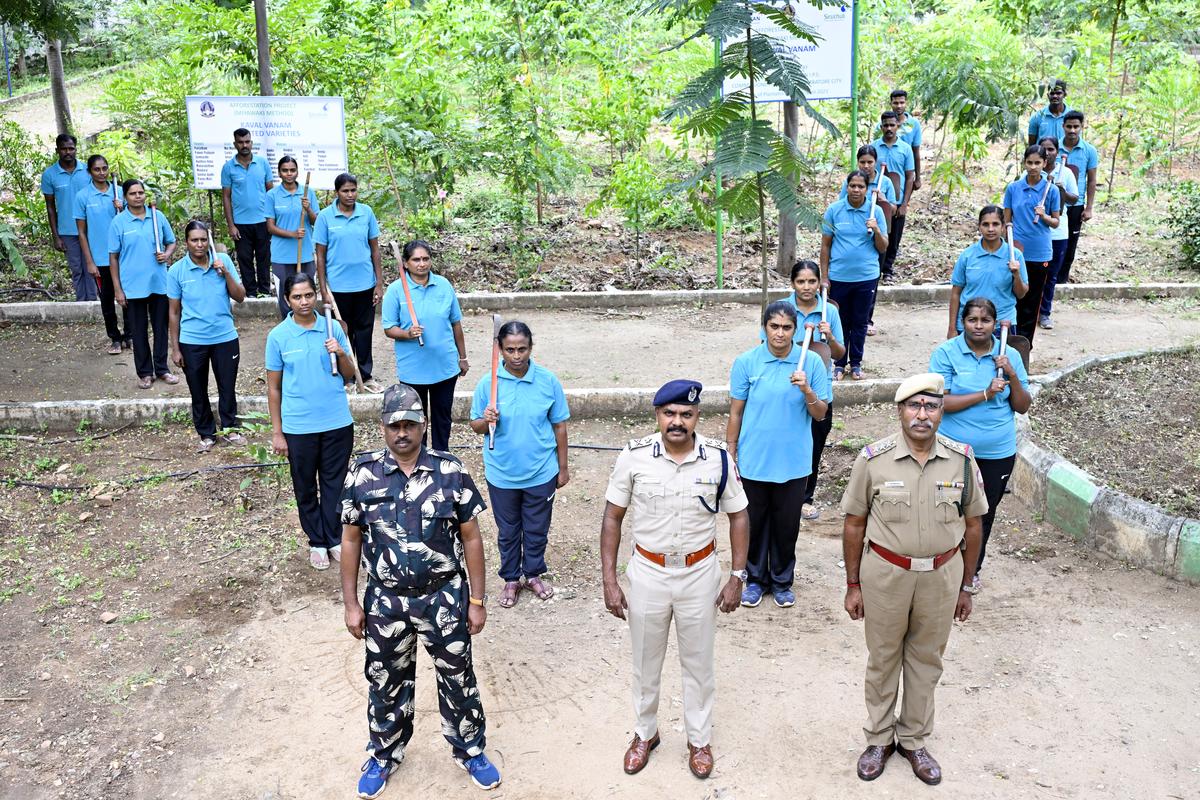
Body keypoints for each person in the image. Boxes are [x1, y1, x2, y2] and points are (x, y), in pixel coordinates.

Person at [340, 383, 501, 797]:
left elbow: (472, 538)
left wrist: (478, 601)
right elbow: (352, 540)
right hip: (385, 602)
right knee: (385, 681)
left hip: (443, 597)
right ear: (382, 427)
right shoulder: (362, 473)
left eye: (410, 423)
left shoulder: (450, 471)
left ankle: (471, 750)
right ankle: (383, 755)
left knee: (457, 679)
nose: (402, 433)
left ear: (424, 425)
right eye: (394, 425)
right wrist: (351, 604)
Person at [840, 373, 987, 786]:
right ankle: (878, 739)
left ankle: (914, 739)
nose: (922, 414)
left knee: (926, 660)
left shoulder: (961, 459)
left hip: (941, 575)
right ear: (900, 411)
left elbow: (973, 525)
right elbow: (854, 524)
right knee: (883, 658)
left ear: (941, 411)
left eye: (931, 406)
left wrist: (966, 585)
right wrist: (853, 584)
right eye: (914, 406)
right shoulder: (873, 460)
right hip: (885, 574)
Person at [601, 379, 749, 780]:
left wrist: (737, 575)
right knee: (645, 661)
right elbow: (613, 517)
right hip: (648, 572)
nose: (677, 421)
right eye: (670, 413)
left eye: (686, 414)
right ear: (658, 415)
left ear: (697, 417)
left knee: (699, 663)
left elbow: (738, 515)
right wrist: (610, 580)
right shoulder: (634, 457)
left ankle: (699, 740)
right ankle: (645, 734)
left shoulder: (718, 459)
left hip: (699, 573)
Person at [728, 301, 830, 608]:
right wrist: (731, 451)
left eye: (787, 328)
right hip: (754, 459)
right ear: (764, 328)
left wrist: (807, 391)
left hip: (794, 462)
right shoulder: (746, 362)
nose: (780, 334)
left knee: (787, 526)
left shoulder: (810, 362)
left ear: (796, 331)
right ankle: (755, 579)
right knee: (754, 523)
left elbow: (821, 413)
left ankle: (783, 580)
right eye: (774, 327)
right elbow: (736, 413)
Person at [931, 298, 1031, 591]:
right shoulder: (946, 353)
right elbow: (942, 402)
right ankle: (940, 568)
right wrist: (985, 393)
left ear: (995, 324)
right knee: (946, 510)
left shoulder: (1007, 355)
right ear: (963, 322)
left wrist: (1012, 374)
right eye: (972, 320)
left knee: (982, 514)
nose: (978, 326)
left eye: (985, 321)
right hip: (952, 451)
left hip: (996, 453)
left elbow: (1022, 406)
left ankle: (970, 572)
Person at [469, 321, 570, 607]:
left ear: (531, 348)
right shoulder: (487, 385)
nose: (516, 355)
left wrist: (563, 468)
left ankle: (534, 573)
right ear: (500, 349)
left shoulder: (548, 381)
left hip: (541, 471)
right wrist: (485, 420)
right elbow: (475, 425)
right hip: (502, 474)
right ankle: (511, 578)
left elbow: (559, 427)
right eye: (510, 349)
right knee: (509, 530)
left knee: (537, 527)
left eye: (522, 349)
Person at [266, 273, 356, 571]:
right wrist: (278, 432)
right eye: (297, 297)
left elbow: (349, 375)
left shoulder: (331, 328)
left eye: (308, 295)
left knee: (334, 484)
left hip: (336, 422)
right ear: (287, 300)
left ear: (316, 295)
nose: (304, 302)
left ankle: (333, 538)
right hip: (298, 426)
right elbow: (274, 388)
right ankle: (316, 541)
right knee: (305, 486)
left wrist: (340, 352)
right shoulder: (278, 336)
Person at [167, 221, 248, 453]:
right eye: (195, 240)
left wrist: (225, 274)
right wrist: (175, 347)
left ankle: (230, 427)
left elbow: (240, 297)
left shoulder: (223, 262)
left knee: (227, 386)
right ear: (186, 243)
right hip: (192, 341)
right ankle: (206, 433)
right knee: (197, 389)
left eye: (203, 239)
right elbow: (173, 312)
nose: (200, 244)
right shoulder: (177, 271)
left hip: (224, 336)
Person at [382, 240, 469, 445]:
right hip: (413, 370)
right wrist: (406, 333)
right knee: (415, 420)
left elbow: (456, 324)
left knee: (442, 418)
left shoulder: (444, 285)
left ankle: (441, 459)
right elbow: (388, 328)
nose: (422, 264)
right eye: (416, 259)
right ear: (405, 263)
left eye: (425, 259)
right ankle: (419, 461)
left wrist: (462, 357)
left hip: (445, 367)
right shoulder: (396, 291)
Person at [778, 261, 844, 520]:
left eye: (811, 281)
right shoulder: (782, 310)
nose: (806, 287)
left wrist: (831, 337)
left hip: (820, 390)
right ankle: (782, 491)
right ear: (792, 284)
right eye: (800, 282)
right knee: (785, 439)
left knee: (814, 444)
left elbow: (840, 354)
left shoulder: (829, 312)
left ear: (819, 283)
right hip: (787, 385)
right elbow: (767, 344)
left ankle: (806, 497)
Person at [315, 172, 384, 394]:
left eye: (353, 190)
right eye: (345, 191)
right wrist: (323, 289)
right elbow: (320, 255)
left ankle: (366, 375)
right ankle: (348, 379)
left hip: (365, 284)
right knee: (343, 332)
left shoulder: (366, 213)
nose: (350, 194)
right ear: (337, 192)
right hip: (338, 289)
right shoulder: (326, 217)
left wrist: (379, 283)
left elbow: (375, 249)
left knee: (364, 331)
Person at [108, 179, 178, 390]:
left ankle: (162, 369)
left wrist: (166, 254)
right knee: (138, 332)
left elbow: (171, 241)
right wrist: (118, 289)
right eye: (132, 193)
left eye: (140, 193)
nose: (138, 196)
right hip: (132, 287)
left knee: (160, 328)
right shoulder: (119, 222)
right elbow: (113, 258)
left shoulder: (157, 217)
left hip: (158, 283)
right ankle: (145, 373)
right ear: (125, 197)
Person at [820, 170, 888, 380]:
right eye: (853, 186)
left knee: (860, 323)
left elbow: (883, 247)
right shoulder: (834, 210)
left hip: (866, 277)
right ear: (846, 187)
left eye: (861, 186)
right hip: (839, 277)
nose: (856, 190)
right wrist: (824, 276)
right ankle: (839, 364)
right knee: (840, 322)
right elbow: (825, 245)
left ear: (867, 189)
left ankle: (856, 364)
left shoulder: (875, 211)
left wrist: (876, 229)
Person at [1002, 145, 1060, 343]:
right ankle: (1008, 342)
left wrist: (1043, 215)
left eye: (1037, 163)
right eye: (1029, 162)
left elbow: (1056, 222)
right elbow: (1007, 221)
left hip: (1040, 253)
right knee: (1013, 299)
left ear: (1045, 164)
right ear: (1024, 163)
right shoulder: (1013, 188)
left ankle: (1025, 347)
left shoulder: (1051, 190)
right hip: (1016, 251)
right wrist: (1006, 246)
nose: (1033, 167)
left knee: (1032, 302)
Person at [73, 154, 130, 354]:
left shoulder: (120, 192)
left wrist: (123, 208)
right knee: (107, 298)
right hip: (100, 257)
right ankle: (114, 337)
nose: (102, 173)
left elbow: (131, 218)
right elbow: (81, 232)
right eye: (97, 169)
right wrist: (89, 261)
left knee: (129, 295)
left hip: (124, 254)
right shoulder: (83, 196)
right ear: (89, 172)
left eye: (104, 168)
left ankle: (129, 335)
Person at [946, 205, 1029, 339]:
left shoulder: (1015, 255)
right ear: (979, 227)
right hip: (970, 324)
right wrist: (952, 328)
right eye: (986, 224)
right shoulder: (967, 255)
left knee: (1000, 360)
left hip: (1002, 323)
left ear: (1002, 227)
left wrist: (1016, 274)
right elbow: (956, 294)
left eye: (995, 224)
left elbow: (1021, 294)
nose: (990, 229)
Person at [839, 145, 896, 336]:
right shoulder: (852, 181)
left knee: (872, 277)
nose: (866, 166)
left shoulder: (884, 182)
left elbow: (894, 210)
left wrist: (883, 199)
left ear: (876, 162)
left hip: (879, 232)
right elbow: (841, 204)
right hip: (856, 232)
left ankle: (867, 319)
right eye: (862, 162)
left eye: (870, 162)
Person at [1052, 110, 1100, 306]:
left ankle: (1062, 281)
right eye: (1069, 126)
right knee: (1053, 241)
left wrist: (1088, 208)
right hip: (1054, 203)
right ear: (1063, 126)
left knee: (1070, 244)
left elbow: (1091, 180)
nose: (1072, 130)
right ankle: (1050, 277)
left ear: (1082, 127)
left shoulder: (1089, 150)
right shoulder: (1054, 148)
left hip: (1075, 204)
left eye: (1076, 127)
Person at [265, 155, 320, 319]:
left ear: (297, 172)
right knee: (286, 295)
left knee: (307, 292)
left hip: (305, 253)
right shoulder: (272, 195)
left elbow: (316, 221)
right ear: (279, 173)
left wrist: (308, 208)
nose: (289, 174)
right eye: (285, 170)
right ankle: (288, 328)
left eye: (292, 170)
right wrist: (293, 234)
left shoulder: (307, 192)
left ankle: (308, 324)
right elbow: (270, 227)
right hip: (282, 255)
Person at [221, 128, 274, 297]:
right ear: (235, 144)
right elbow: (226, 197)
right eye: (240, 142)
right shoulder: (228, 167)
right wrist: (231, 225)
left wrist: (271, 219)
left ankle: (264, 292)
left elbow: (270, 193)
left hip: (262, 220)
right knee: (244, 260)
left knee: (264, 258)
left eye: (247, 142)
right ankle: (251, 293)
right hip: (241, 223)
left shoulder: (262, 163)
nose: (244, 145)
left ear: (251, 142)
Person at [41, 133, 94, 301]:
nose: (68, 152)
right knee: (77, 269)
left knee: (91, 267)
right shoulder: (50, 174)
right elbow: (50, 207)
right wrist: (55, 236)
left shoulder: (87, 171)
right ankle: (81, 304)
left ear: (76, 149)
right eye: (63, 149)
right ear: (57, 150)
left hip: (90, 229)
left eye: (71, 148)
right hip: (67, 231)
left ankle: (93, 302)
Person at [1036, 136, 1079, 329]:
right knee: (1033, 275)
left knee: (1051, 275)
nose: (1048, 153)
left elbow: (1074, 198)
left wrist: (1062, 190)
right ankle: (1030, 312)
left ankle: (1044, 313)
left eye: (1051, 149)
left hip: (1058, 233)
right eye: (1044, 149)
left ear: (1056, 151)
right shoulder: (1032, 172)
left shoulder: (1066, 173)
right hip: (1035, 232)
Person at [871, 111, 915, 285]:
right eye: (885, 125)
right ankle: (875, 269)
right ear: (881, 127)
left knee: (894, 236)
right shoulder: (874, 147)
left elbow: (910, 176)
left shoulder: (905, 149)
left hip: (897, 201)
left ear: (898, 126)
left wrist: (904, 203)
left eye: (892, 125)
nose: (889, 128)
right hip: (877, 200)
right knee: (878, 233)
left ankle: (888, 270)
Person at [1027, 79, 1071, 146]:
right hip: (1043, 155)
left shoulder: (1072, 117)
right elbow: (1031, 145)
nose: (1055, 96)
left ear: (1064, 94)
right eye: (1052, 93)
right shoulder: (1037, 117)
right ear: (1048, 95)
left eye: (1058, 93)